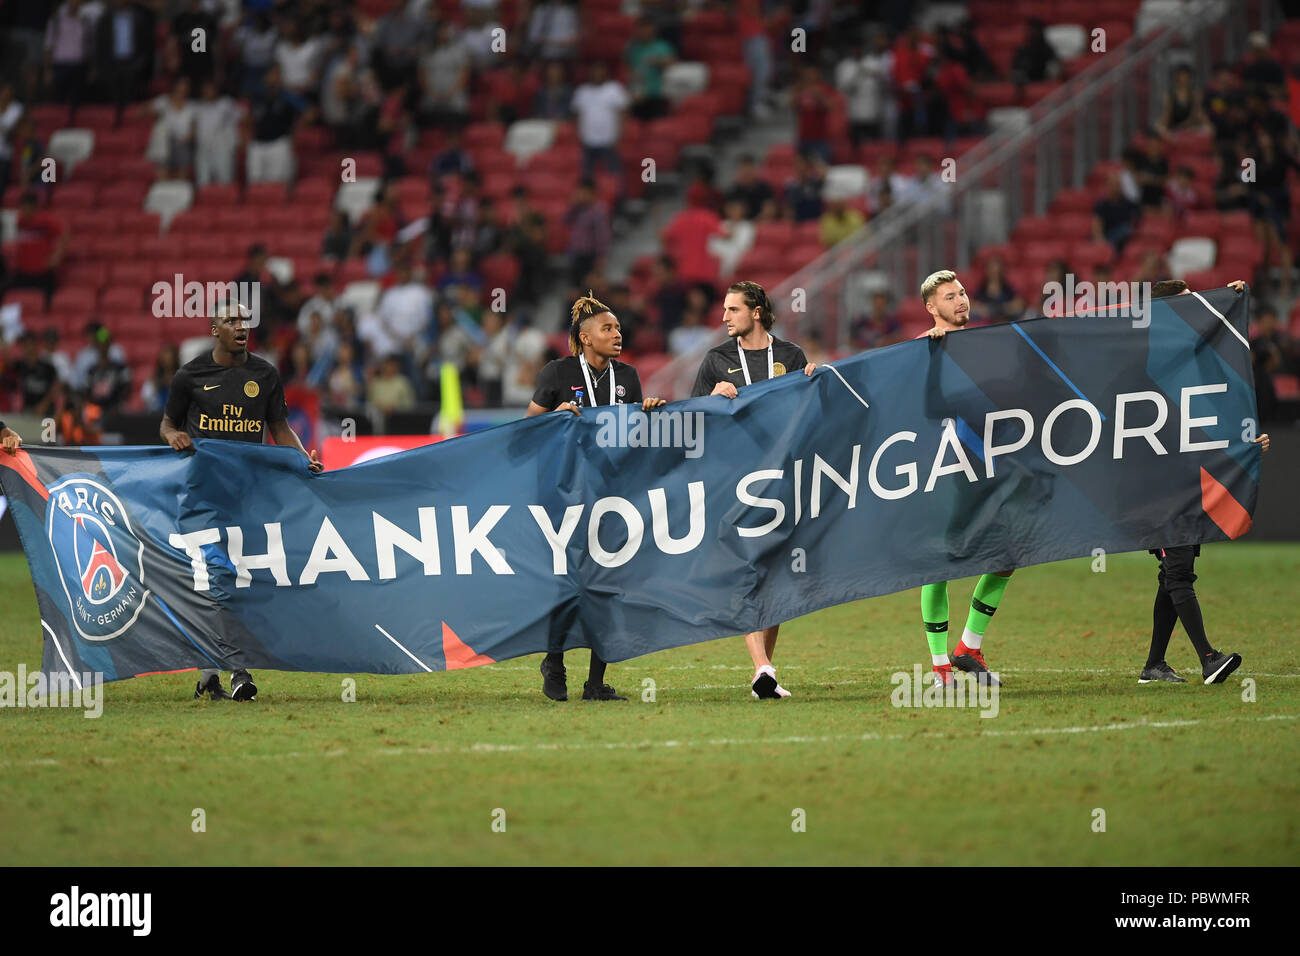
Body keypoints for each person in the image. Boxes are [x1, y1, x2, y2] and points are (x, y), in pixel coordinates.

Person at [161, 302, 323, 702]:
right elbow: (168, 422)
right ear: (214, 329)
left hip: (249, 494)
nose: (240, 327)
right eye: (231, 321)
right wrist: (172, 436)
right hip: (204, 493)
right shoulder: (191, 376)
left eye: (244, 321)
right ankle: (239, 672)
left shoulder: (264, 375)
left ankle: (208, 670)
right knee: (220, 574)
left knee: (235, 580)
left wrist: (303, 461)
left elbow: (279, 427)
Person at [526, 292, 667, 702]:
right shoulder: (557, 372)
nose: (617, 334)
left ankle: (595, 682)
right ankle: (554, 660)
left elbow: (634, 437)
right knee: (566, 582)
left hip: (611, 493)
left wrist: (649, 413)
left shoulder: (628, 377)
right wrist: (554, 417)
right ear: (585, 338)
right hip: (564, 490)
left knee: (607, 582)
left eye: (619, 328)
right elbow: (526, 429)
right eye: (608, 329)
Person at [689, 280, 817, 699]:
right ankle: (761, 665)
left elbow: (807, 413)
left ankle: (766, 672)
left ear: (756, 312)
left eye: (732, 310)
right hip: (737, 478)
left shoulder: (790, 356)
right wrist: (712, 397)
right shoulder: (716, 360)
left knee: (777, 576)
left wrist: (816, 382)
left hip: (782, 477)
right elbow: (693, 420)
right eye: (724, 310)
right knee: (748, 570)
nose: (724, 317)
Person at [1139, 278, 1269, 685]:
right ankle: (1209, 658)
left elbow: (1199, 424)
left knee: (1171, 575)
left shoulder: (1189, 359)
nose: (1193, 310)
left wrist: (1243, 446)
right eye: (1185, 305)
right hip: (1155, 488)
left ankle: (1153, 666)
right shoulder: (1143, 360)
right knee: (1178, 571)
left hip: (1185, 482)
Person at [918, 270, 1011, 688]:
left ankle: (968, 647)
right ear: (931, 307)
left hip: (988, 465)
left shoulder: (982, 345)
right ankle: (940, 669)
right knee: (938, 564)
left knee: (1007, 557)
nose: (960, 300)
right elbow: (928, 407)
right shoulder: (922, 350)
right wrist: (935, 358)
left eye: (962, 293)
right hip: (944, 469)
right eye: (949, 296)